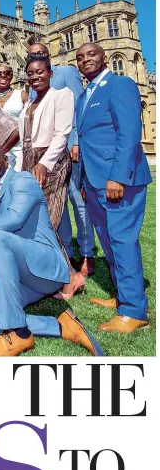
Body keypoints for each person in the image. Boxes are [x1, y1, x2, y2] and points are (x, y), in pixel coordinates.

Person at [0, 144, 104, 357]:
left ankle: (17, 333)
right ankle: (61, 326)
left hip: (44, 269)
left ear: (6, 160)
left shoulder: (23, 180)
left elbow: (14, 218)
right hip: (18, 276)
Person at [76, 42, 152, 333]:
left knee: (121, 241)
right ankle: (123, 296)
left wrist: (118, 176)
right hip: (94, 181)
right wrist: (84, 180)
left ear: (104, 57)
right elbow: (87, 140)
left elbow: (130, 131)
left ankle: (134, 311)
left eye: (91, 54)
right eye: (80, 57)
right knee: (108, 242)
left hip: (118, 180)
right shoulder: (85, 95)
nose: (85, 60)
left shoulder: (120, 84)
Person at [20, 54, 85, 300]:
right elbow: (26, 141)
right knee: (34, 221)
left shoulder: (61, 95)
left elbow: (62, 134)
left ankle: (71, 276)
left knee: (48, 220)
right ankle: (54, 275)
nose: (35, 76)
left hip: (53, 162)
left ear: (50, 73)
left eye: (39, 72)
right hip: (30, 161)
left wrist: (44, 163)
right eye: (30, 73)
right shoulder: (30, 103)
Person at [29, 42, 95, 277]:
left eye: (40, 53)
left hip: (67, 148)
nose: (36, 56)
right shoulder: (32, 82)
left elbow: (80, 106)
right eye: (32, 54)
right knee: (58, 206)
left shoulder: (65, 72)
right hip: (42, 155)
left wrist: (76, 140)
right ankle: (66, 250)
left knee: (78, 201)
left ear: (48, 55)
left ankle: (88, 254)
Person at [0, 63, 27, 171]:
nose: (3, 76)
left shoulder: (21, 95)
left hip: (19, 146)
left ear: (12, 76)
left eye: (7, 73)